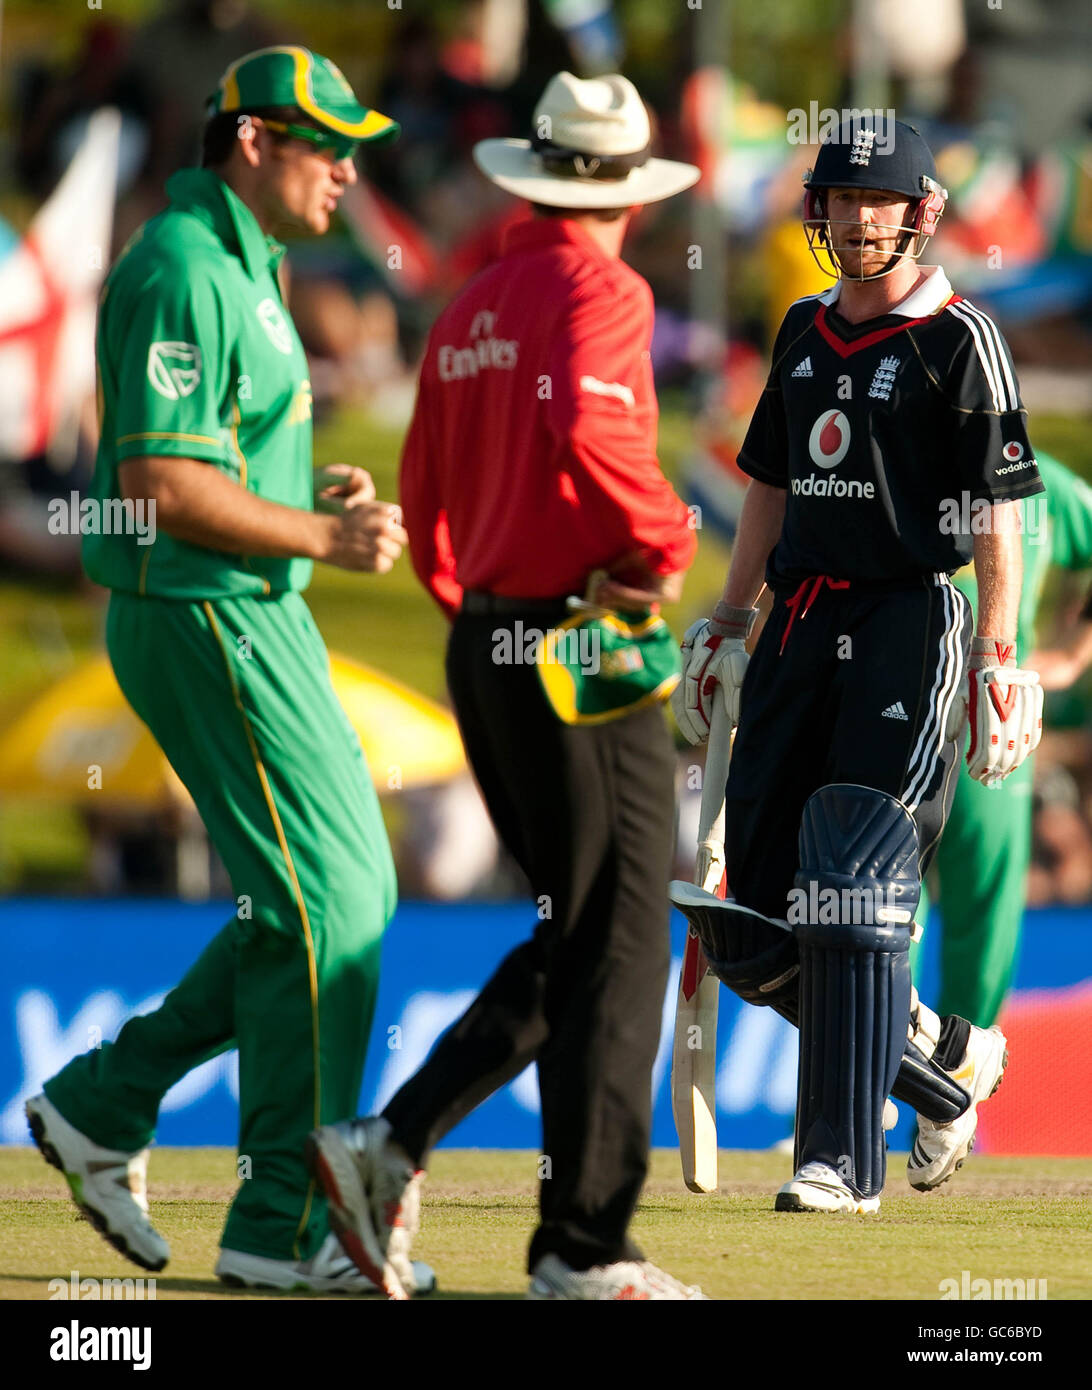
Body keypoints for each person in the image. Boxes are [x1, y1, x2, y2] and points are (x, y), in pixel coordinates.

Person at [25, 46, 421, 1295]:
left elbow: (220, 465)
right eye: (327, 145)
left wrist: (305, 496)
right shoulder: (183, 265)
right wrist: (322, 535)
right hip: (203, 613)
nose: (349, 171)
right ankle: (284, 1225)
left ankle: (107, 1101)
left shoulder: (245, 265)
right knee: (329, 910)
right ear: (252, 143)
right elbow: (158, 486)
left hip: (247, 609)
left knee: (310, 904)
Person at [307, 72, 705, 1300]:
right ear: (631, 191)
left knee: (581, 932)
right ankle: (578, 1245)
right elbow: (594, 435)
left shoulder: (474, 300)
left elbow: (425, 500)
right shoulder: (602, 286)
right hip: (575, 647)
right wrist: (662, 549)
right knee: (624, 937)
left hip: (486, 642)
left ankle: (404, 1153)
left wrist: (486, 613)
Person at [670, 116, 1044, 1214]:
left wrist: (999, 655)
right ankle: (938, 1063)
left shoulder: (960, 337)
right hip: (797, 622)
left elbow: (998, 516)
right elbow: (770, 489)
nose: (857, 217)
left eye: (878, 199)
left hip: (908, 621)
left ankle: (838, 1159)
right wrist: (732, 616)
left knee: (855, 880)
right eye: (840, 198)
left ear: (921, 213)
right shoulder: (796, 330)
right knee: (752, 932)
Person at [919, 453, 1092, 1027]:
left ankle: (954, 1103)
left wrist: (1069, 656)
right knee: (877, 921)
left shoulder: (1042, 485)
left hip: (988, 726)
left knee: (984, 922)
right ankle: (861, 1099)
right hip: (887, 724)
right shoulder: (886, 460)